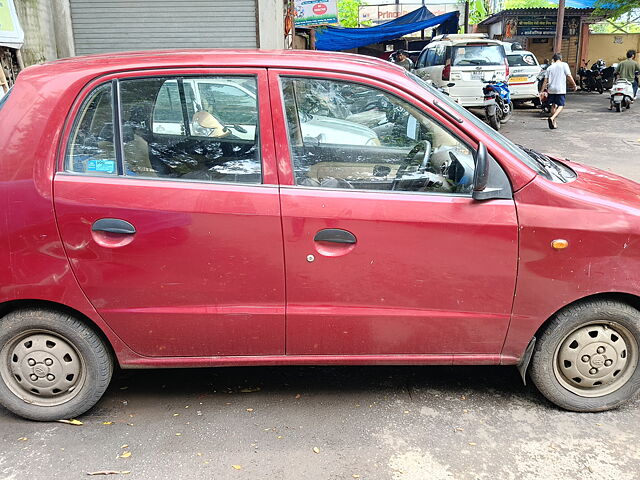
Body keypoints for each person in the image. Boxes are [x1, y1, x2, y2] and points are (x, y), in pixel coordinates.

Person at [540, 53, 577, 129]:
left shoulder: (550, 68)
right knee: (561, 105)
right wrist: (574, 84)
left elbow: (545, 80)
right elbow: (569, 75)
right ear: (561, 59)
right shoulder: (564, 65)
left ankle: (554, 123)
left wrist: (542, 91)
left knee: (553, 105)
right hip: (560, 89)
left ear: (553, 59)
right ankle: (552, 118)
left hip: (551, 89)